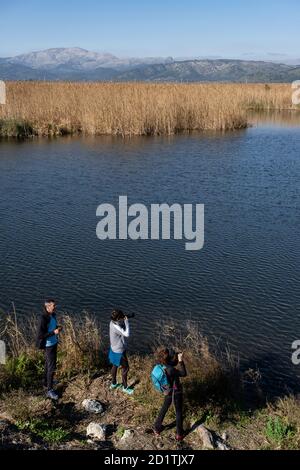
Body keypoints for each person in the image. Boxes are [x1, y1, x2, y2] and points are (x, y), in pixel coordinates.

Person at [153, 348, 187, 441]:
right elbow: (183, 373)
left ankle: (157, 427)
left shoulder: (162, 365)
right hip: (176, 392)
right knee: (178, 412)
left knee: (164, 408)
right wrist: (180, 361)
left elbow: (171, 365)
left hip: (167, 391)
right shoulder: (171, 370)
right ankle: (179, 434)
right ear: (171, 358)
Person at [36, 299, 62, 400]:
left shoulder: (53, 315)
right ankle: (50, 390)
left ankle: (46, 382)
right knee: (52, 367)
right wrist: (54, 333)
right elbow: (40, 335)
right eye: (53, 306)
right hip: (48, 345)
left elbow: (52, 327)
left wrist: (57, 328)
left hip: (53, 343)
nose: (55, 307)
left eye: (55, 305)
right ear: (47, 307)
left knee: (48, 364)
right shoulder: (43, 318)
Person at [108, 309, 133, 395]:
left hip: (113, 348)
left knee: (115, 365)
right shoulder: (116, 327)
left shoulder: (112, 322)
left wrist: (123, 318)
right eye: (121, 316)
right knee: (126, 368)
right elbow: (127, 334)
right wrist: (126, 322)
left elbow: (119, 326)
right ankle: (125, 387)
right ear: (118, 318)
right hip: (119, 351)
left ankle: (114, 383)